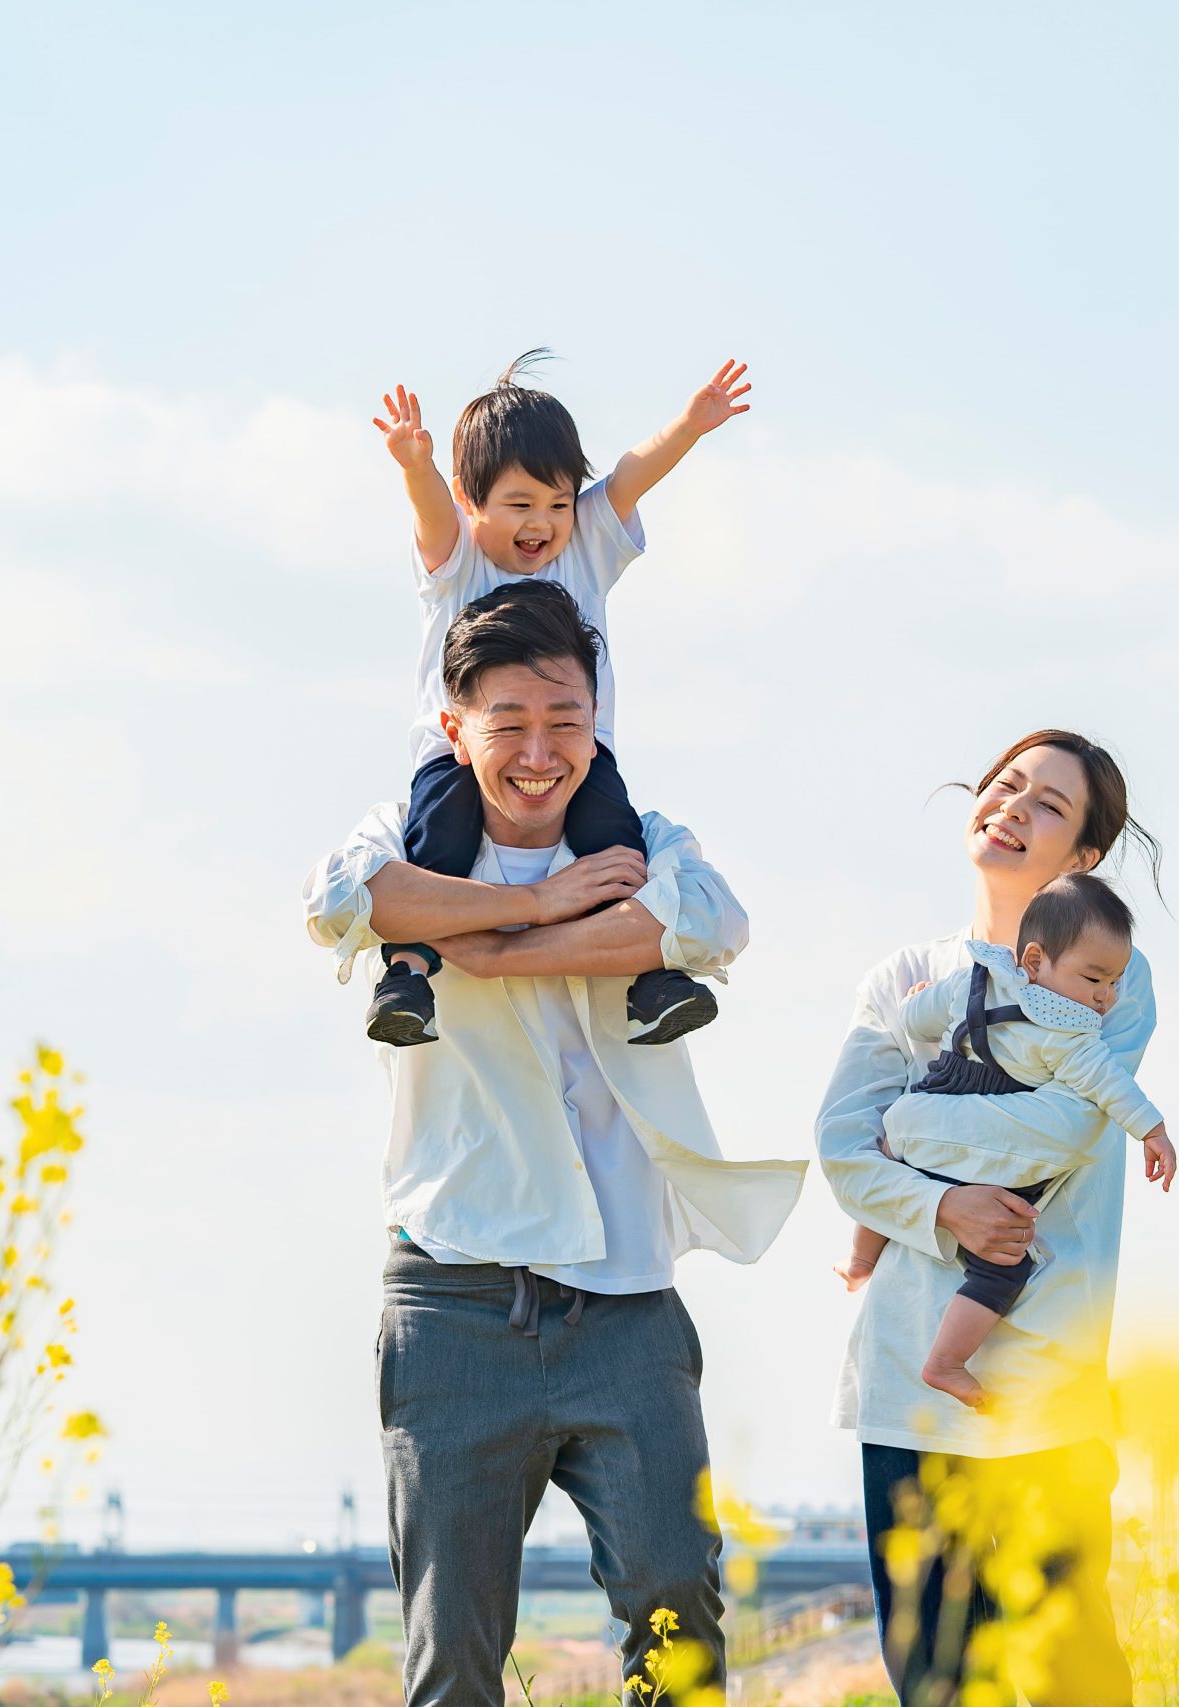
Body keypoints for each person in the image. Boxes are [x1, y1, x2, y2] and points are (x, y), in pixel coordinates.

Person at [303, 580, 805, 1705]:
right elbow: (341, 900)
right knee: (456, 1651)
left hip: (624, 1292)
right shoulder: (404, 839)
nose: (540, 752)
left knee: (681, 1609)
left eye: (566, 723)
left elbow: (708, 923)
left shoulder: (645, 839)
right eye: (510, 725)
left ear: (597, 723)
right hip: (452, 1294)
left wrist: (495, 951)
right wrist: (540, 905)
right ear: (454, 729)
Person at [817, 730, 1163, 1707]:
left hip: (1042, 1379)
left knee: (1075, 1678)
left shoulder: (1106, 972)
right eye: (1005, 785)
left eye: (1048, 805)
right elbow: (841, 1147)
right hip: (904, 1381)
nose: (1012, 806)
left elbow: (1061, 1127)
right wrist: (942, 1207)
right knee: (935, 1684)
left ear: (1082, 859)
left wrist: (907, 1130)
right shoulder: (902, 979)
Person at [363, 350, 753, 1050]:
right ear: (470, 501)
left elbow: (632, 475)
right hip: (456, 756)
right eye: (519, 505)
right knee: (441, 841)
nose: (541, 523)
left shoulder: (586, 547)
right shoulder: (458, 561)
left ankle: (650, 980)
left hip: (582, 748)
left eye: (557, 502)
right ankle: (408, 970)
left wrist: (690, 427)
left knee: (614, 840)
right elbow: (429, 514)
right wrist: (414, 466)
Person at [834, 872, 1176, 1411]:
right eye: (1095, 980)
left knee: (892, 1159)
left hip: (938, 1087)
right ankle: (946, 1362)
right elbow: (1110, 1087)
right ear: (1036, 961)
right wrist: (1151, 1129)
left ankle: (859, 1261)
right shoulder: (1069, 1035)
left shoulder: (974, 977)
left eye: (1113, 983)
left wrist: (920, 1008)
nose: (1106, 997)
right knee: (1003, 1266)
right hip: (985, 1139)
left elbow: (917, 1017)